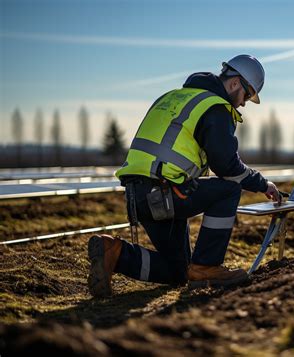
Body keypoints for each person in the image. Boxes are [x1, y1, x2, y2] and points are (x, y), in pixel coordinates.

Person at [87, 54, 281, 297]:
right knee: (229, 189)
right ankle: (207, 267)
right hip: (165, 192)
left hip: (139, 195)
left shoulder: (172, 98)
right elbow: (227, 167)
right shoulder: (215, 107)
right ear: (234, 84)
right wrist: (262, 184)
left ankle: (114, 252)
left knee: (177, 271)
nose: (243, 104)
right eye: (247, 95)